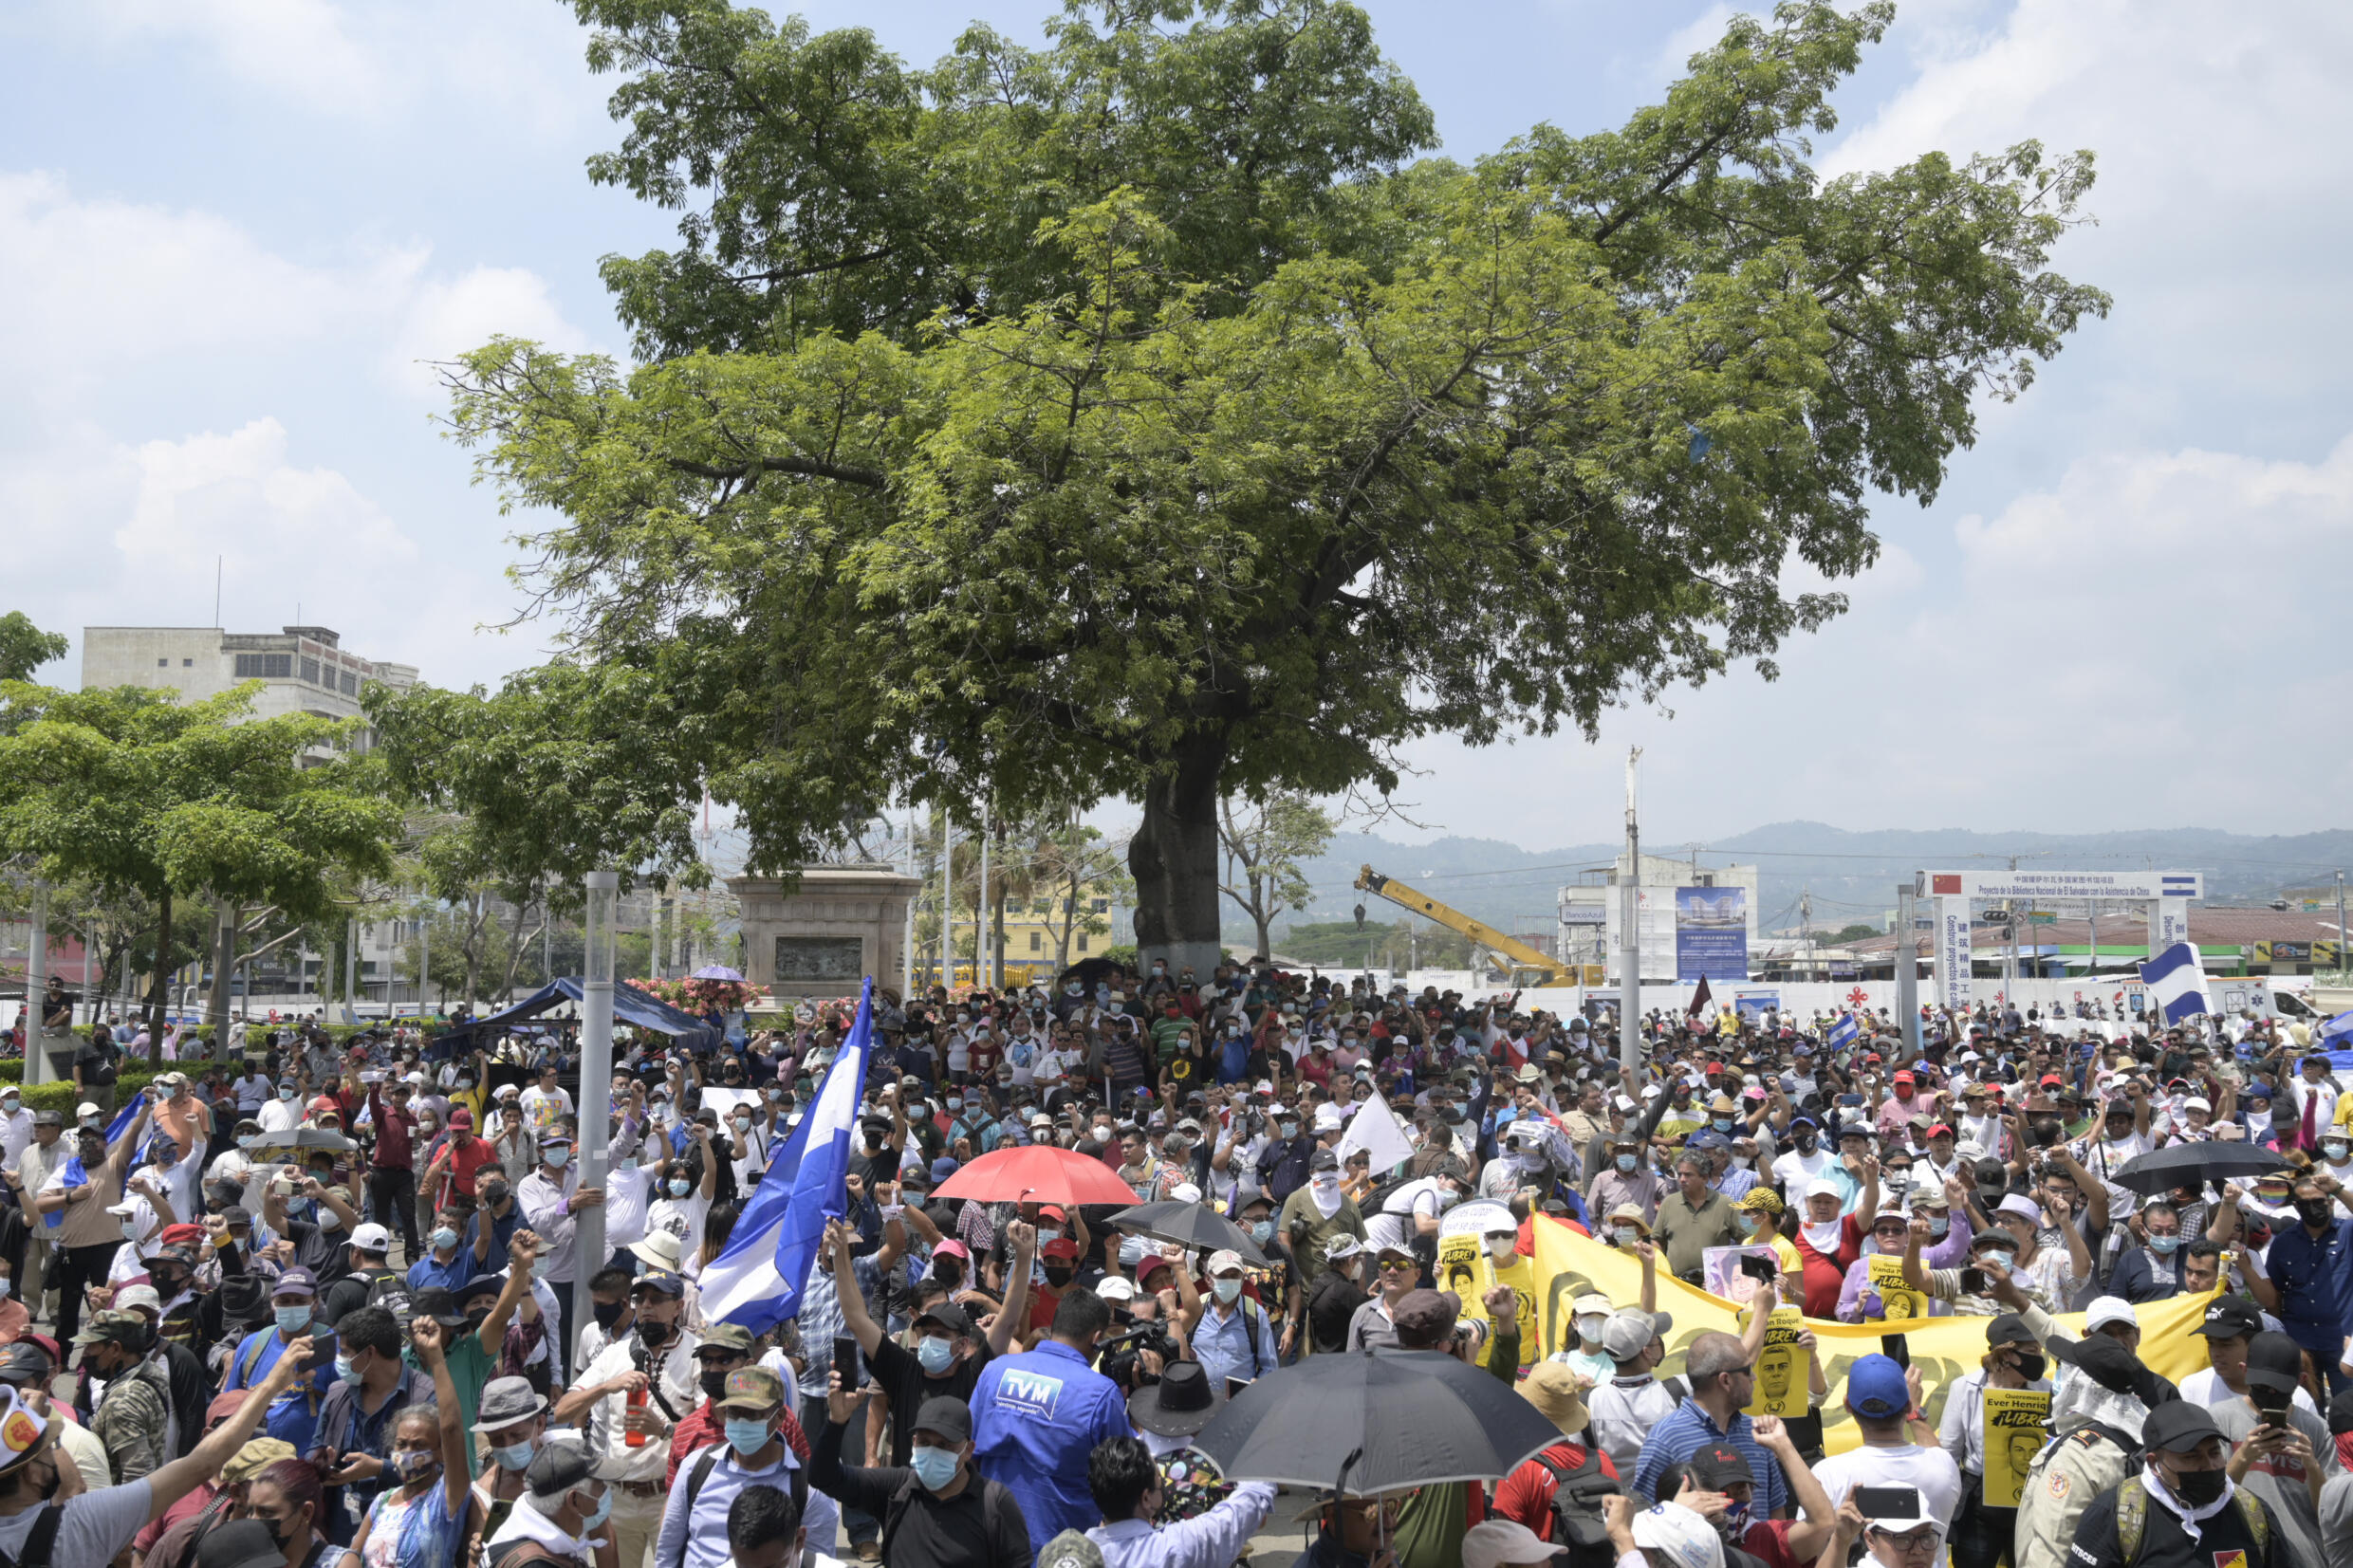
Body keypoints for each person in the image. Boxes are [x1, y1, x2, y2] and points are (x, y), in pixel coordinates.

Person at [0, 1332, 323, 1568]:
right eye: (48, 1453)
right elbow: (203, 1462)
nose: (54, 1454)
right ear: (32, 1474)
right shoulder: (82, 1522)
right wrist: (271, 1384)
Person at [826, 1218, 1027, 1467]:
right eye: (927, 1331)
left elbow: (1007, 1322)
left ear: (962, 1344)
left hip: (959, 1489)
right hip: (906, 1486)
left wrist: (1024, 1255)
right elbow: (857, 1319)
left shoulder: (972, 1375)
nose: (931, 1338)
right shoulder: (903, 1370)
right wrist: (840, 1255)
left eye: (941, 1334)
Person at [552, 1267, 699, 1568]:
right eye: (640, 1299)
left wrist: (665, 1429)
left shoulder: (697, 1354)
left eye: (656, 1299)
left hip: (670, 1496)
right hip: (618, 1497)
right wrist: (607, 1387)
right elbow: (562, 1411)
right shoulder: (615, 1354)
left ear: (678, 1306)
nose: (646, 1306)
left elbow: (710, 1429)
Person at [969, 1287, 1128, 1554]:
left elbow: (967, 1451)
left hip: (988, 1542)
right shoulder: (1101, 1393)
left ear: (1054, 1327)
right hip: (1061, 1553)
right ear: (1097, 1338)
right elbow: (1124, 1480)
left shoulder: (996, 1370)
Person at [812, 1378, 1031, 1568]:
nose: (933, 1451)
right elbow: (822, 1477)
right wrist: (836, 1421)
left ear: (968, 1450)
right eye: (925, 1442)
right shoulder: (896, 1489)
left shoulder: (994, 1503)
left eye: (944, 1445)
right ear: (914, 1442)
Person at [655, 1368, 833, 1568]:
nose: (742, 1422)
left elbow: (816, 1561)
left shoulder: (808, 1486)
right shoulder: (695, 1468)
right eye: (735, 1413)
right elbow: (668, 1550)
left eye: (752, 1414)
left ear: (780, 1416)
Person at [2066, 1401, 2278, 1568]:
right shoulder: (2115, 1515)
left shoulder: (2252, 1512)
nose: (2208, 1465)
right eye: (2191, 1457)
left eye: (2214, 1453)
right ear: (2154, 1463)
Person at [342, 1316, 474, 1568]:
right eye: (401, 1445)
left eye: (419, 1446)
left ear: (440, 1452)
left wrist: (435, 1356)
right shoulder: (382, 1503)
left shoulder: (446, 1498)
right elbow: (352, 1553)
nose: (407, 1453)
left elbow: (452, 1428)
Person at [2203, 1331, 2331, 1568]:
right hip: (2239, 1553)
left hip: (2305, 1557)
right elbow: (2208, 1500)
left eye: (2279, 1388)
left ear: (2300, 1380)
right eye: (2262, 1386)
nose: (2271, 1393)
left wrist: (2313, 1468)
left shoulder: (2315, 1429)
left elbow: (2330, 1513)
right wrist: (2243, 1457)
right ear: (2244, 1371)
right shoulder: (2219, 1419)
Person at [308, 1305, 435, 1546]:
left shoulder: (425, 1398)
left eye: (345, 1352)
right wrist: (320, 1462)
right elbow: (315, 1445)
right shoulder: (337, 1393)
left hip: (400, 1530)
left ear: (369, 1353)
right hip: (339, 1528)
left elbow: (438, 1467)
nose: (340, 1359)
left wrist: (378, 1468)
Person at [1935, 1312, 2052, 1568]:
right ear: (2007, 1353)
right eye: (2032, 1350)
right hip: (1979, 1500)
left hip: (2030, 1497)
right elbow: (1949, 1452)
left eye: (2040, 1350)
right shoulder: (1965, 1388)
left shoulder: (2047, 1389)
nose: (2039, 1357)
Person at [36, 1092, 152, 1343]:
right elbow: (40, 1204)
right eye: (84, 1139)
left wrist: (145, 1106)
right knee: (68, 1307)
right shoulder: (68, 1170)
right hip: (72, 1250)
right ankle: (62, 1355)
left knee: (105, 1302)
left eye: (94, 1140)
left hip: (105, 1248)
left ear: (104, 1143)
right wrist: (70, 1197)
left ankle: (107, 1347)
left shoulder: (113, 1165)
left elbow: (132, 1133)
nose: (88, 1144)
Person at [1809, 1355, 1962, 1530]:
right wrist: (1915, 1412)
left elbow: (1809, 1539)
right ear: (1907, 1406)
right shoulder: (1943, 1466)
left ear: (1847, 1405)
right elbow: (1937, 1455)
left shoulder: (1829, 1473)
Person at [1081, 1433, 1275, 1568]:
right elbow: (1240, 1513)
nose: (1164, 1483)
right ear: (1146, 1498)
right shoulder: (1174, 1548)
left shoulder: (1072, 1556)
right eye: (1159, 1480)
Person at [220, 1268, 341, 1456]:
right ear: (272, 1303)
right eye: (284, 1301)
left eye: (300, 1301)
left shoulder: (331, 1347)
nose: (292, 1307)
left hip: (304, 1464)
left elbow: (344, 1410)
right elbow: (229, 1406)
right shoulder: (252, 1345)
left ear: (315, 1304)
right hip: (252, 1462)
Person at [483, 1437, 619, 1568]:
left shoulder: (518, 1530)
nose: (607, 1493)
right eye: (602, 1487)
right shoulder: (535, 1564)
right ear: (574, 1500)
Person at [76, 1309, 175, 1484]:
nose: (85, 1353)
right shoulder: (151, 1371)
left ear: (115, 1348)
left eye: (91, 1346)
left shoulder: (123, 1402)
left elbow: (137, 1474)